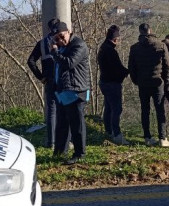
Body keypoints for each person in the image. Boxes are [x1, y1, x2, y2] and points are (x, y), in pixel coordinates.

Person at [49, 22, 90, 164]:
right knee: (62, 124)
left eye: (61, 36)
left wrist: (54, 52)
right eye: (56, 39)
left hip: (76, 91)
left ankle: (80, 153)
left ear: (69, 31)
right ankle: (60, 152)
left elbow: (69, 63)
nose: (60, 40)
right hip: (63, 92)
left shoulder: (78, 45)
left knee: (76, 125)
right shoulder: (61, 48)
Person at [128, 23, 169, 147]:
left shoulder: (135, 48)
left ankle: (147, 137)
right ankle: (162, 138)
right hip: (157, 82)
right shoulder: (160, 45)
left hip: (143, 82)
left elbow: (131, 67)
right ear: (150, 31)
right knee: (160, 110)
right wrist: (166, 80)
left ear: (140, 32)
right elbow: (168, 65)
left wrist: (136, 80)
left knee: (145, 110)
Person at [27, 18, 61, 148]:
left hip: (49, 80)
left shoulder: (41, 44)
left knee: (51, 111)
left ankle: (51, 142)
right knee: (64, 110)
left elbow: (31, 61)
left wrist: (41, 77)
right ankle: (64, 140)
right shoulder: (62, 40)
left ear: (48, 28)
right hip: (62, 80)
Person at [97, 25, 129, 145]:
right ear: (115, 39)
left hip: (104, 82)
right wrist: (127, 72)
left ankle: (108, 131)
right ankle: (117, 134)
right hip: (112, 83)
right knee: (116, 109)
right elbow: (117, 68)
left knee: (109, 108)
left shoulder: (103, 48)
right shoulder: (111, 51)